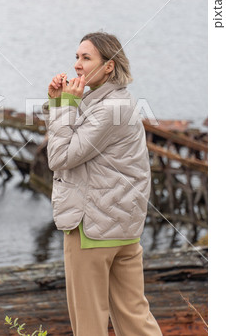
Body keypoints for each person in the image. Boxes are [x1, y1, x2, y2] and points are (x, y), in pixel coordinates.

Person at [43, 32, 162, 336]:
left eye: (86, 58)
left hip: (91, 230)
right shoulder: (117, 101)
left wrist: (64, 104)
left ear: (109, 66)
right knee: (135, 319)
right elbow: (76, 141)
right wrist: (59, 102)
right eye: (77, 57)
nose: (77, 65)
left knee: (89, 324)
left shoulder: (108, 109)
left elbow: (60, 156)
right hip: (123, 230)